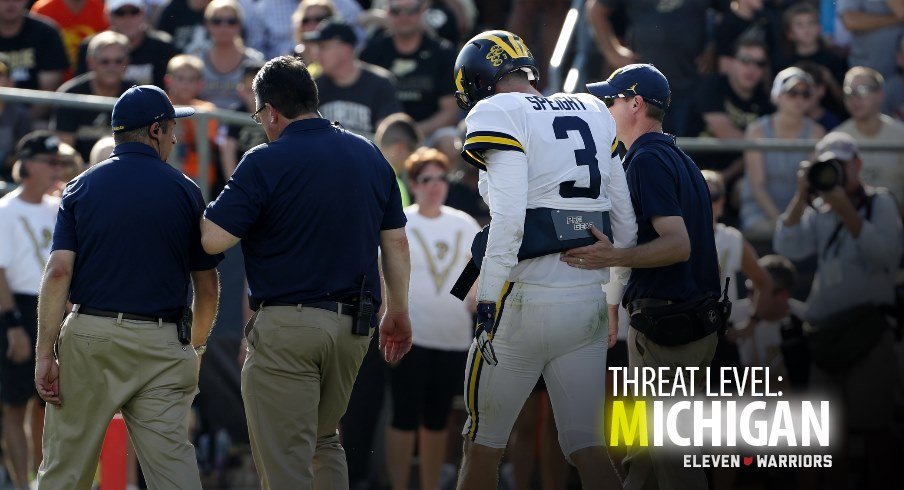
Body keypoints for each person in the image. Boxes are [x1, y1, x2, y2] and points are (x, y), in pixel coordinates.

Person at [200, 55, 413, 489]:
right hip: (355, 327)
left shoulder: (264, 160)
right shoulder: (370, 155)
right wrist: (398, 310)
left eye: (260, 114)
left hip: (288, 326)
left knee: (285, 458)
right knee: (324, 442)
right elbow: (396, 241)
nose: (261, 123)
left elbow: (211, 240)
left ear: (272, 111)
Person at [452, 30, 636, 490]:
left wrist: (488, 299)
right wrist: (612, 297)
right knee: (587, 446)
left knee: (482, 444)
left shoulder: (497, 111)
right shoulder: (594, 109)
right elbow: (626, 224)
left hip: (523, 299)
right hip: (587, 300)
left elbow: (509, 220)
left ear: (477, 82)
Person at [33, 84, 221, 489]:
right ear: (154, 130)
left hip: (91, 340)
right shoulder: (186, 191)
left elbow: (58, 273)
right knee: (175, 473)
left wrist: (45, 353)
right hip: (163, 343)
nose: (175, 137)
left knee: (64, 471)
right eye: (171, 127)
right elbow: (207, 287)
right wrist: (198, 347)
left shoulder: (80, 187)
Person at [580, 63, 724, 490]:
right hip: (676, 325)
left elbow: (677, 244)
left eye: (612, 100)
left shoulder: (647, 159)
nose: (607, 108)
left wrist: (613, 254)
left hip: (668, 332)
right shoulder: (673, 156)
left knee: (674, 464)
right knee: (640, 456)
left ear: (635, 103)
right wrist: (612, 301)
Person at [773, 131, 901, 489]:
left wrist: (847, 210)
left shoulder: (880, 203)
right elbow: (787, 245)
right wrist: (801, 196)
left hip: (869, 333)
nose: (835, 172)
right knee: (829, 438)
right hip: (826, 336)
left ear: (857, 164)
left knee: (877, 431)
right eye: (826, 165)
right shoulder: (819, 210)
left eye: (840, 164)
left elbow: (886, 259)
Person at [385, 147, 479, 490]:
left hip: (452, 336)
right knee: (404, 416)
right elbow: (387, 272)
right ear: (413, 183)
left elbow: (475, 267)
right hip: (411, 335)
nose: (435, 185)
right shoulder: (402, 219)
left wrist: (460, 299)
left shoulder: (463, 222)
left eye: (441, 178)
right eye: (427, 179)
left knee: (438, 420)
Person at [0, 131, 63, 490]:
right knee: (14, 402)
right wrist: (12, 324)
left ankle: (44, 480)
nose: (55, 169)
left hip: (52, 306)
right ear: (27, 165)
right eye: (48, 162)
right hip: (20, 307)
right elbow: (1, 272)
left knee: (47, 403)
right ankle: (20, 484)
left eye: (58, 163)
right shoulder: (6, 209)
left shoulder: (59, 206)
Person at [740, 66, 825, 249]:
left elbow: (813, 187)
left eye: (806, 93)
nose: (799, 99)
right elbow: (757, 185)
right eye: (792, 92)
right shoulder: (757, 131)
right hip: (760, 211)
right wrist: (782, 222)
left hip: (801, 212)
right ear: (777, 95)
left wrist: (792, 220)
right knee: (764, 230)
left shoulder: (817, 133)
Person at [360, 0, 459, 140]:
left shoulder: (443, 52)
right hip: (380, 135)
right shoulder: (372, 51)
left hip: (429, 134)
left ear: (423, 10)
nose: (403, 17)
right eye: (396, 11)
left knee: (449, 142)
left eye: (411, 10)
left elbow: (450, 111)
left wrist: (412, 134)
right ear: (387, 12)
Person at [305, 19, 401, 139]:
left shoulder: (380, 83)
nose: (315, 55)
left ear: (345, 49)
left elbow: (388, 139)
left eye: (323, 47)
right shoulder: (315, 87)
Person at [52, 30, 134, 162]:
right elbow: (64, 149)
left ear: (127, 62)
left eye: (118, 61)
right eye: (104, 61)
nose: (111, 67)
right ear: (90, 62)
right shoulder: (70, 94)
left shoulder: (137, 95)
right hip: (80, 173)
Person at [835, 65, 904, 209]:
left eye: (862, 91)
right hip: (850, 226)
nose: (855, 99)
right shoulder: (836, 140)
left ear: (880, 94)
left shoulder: (901, 135)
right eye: (849, 92)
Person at [75, 0, 179, 88]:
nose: (127, 19)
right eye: (120, 13)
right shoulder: (89, 46)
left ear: (143, 13)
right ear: (108, 15)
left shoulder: (163, 47)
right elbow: (82, 88)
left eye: (134, 12)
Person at [190, 0, 264, 110]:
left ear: (240, 25)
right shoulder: (196, 58)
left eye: (231, 21)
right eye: (217, 21)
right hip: (202, 125)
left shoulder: (254, 60)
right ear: (207, 24)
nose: (224, 26)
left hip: (242, 125)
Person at [838, 0, 904, 79]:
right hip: (867, 71)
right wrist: (894, 19)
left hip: (898, 71)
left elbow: (901, 12)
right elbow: (850, 21)